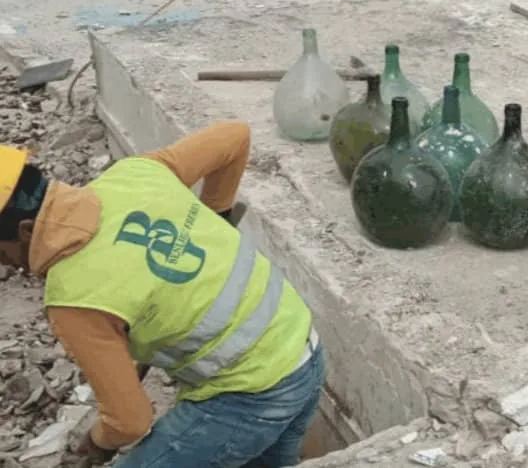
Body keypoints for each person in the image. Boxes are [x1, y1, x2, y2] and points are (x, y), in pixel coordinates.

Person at [0, 121, 324, 467]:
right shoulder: (134, 175)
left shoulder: (72, 300)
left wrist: (96, 443)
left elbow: (130, 422)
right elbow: (235, 135)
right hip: (305, 347)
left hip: (254, 395)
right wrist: (217, 214)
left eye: (1, 251)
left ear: (26, 230)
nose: (4, 263)